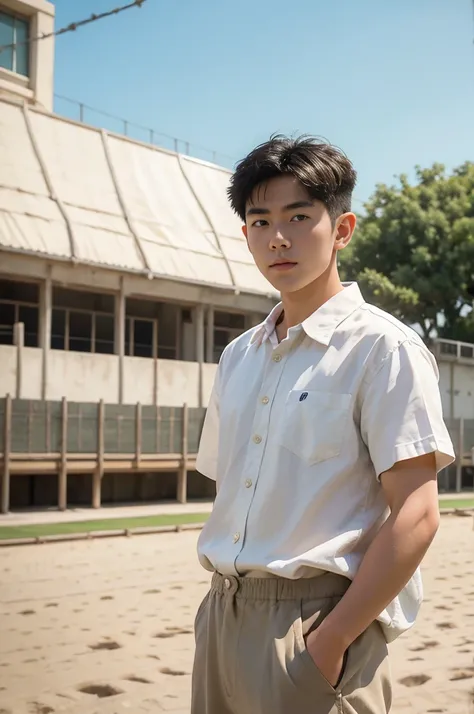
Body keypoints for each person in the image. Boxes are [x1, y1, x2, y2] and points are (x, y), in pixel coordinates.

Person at [191, 135, 455, 714]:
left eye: (299, 216)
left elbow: (418, 512)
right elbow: (233, 491)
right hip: (222, 615)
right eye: (260, 221)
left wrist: (330, 639)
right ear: (246, 235)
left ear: (342, 229)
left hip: (317, 623)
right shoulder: (238, 356)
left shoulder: (383, 349)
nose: (277, 237)